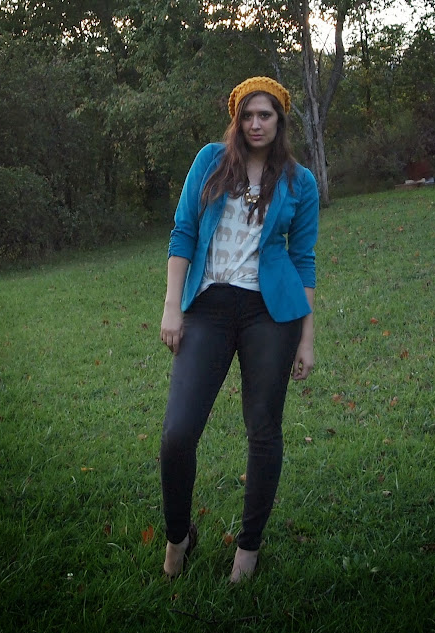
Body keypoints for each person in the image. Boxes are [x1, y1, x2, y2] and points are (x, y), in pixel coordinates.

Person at [159, 77, 319, 583]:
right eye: (247, 115)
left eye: (264, 115)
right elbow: (183, 232)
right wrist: (172, 306)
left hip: (270, 313)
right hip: (208, 307)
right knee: (178, 433)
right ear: (236, 119)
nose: (255, 124)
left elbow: (303, 259)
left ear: (279, 121)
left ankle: (249, 548)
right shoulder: (210, 161)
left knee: (263, 429)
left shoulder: (299, 181)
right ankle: (179, 536)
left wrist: (307, 337)